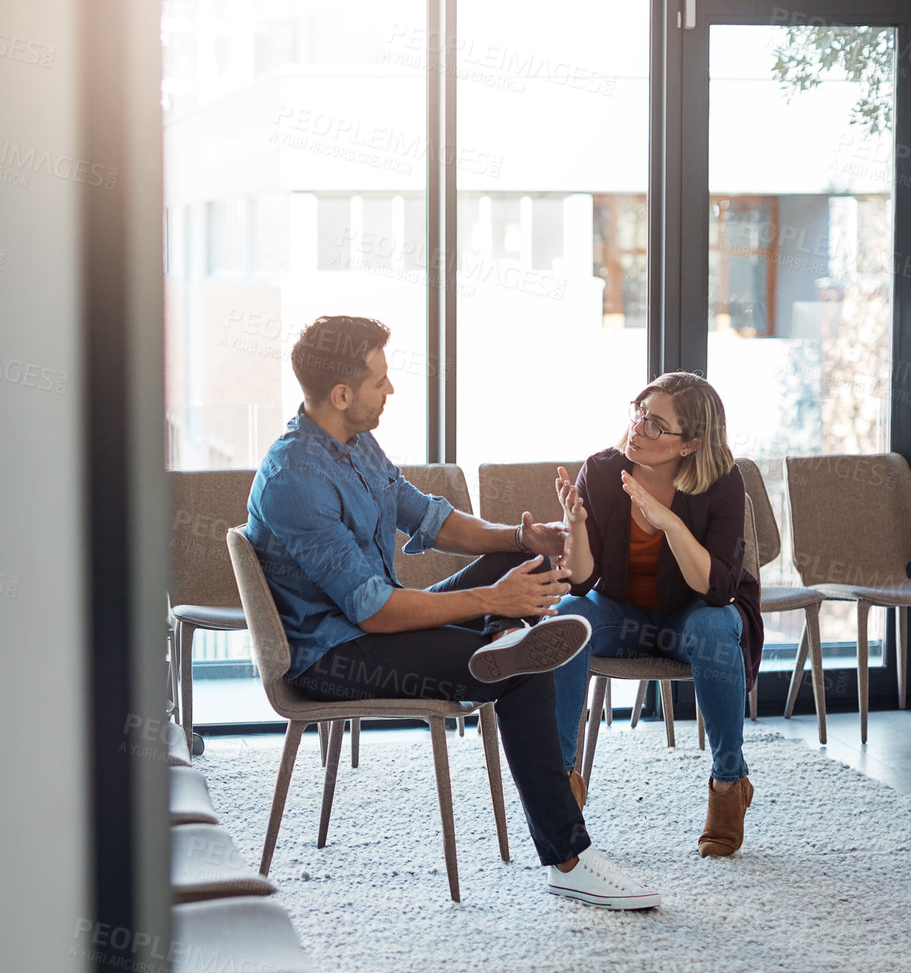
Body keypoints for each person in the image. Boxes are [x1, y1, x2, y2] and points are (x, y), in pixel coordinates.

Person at [244, 314, 658, 908]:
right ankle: (570, 859)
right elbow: (375, 613)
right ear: (342, 395)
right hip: (332, 655)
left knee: (528, 575)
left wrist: (523, 541)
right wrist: (493, 600)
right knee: (526, 672)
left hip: (371, 627)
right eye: (380, 381)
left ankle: (502, 637)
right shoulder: (295, 479)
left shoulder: (352, 442)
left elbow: (430, 517)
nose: (391, 390)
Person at [550, 371, 764, 857]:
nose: (637, 429)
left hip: (692, 613)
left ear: (689, 445)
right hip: (622, 611)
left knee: (715, 626)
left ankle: (729, 785)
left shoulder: (722, 481)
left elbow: (714, 589)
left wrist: (667, 520)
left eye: (654, 424)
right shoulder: (602, 470)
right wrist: (575, 526)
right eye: (638, 414)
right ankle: (561, 786)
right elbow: (582, 581)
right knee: (567, 617)